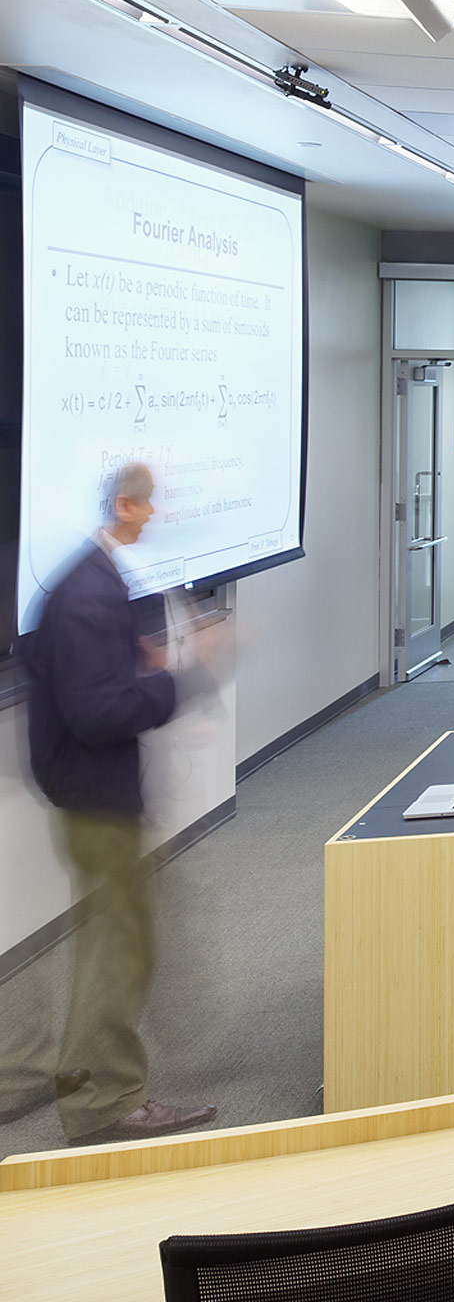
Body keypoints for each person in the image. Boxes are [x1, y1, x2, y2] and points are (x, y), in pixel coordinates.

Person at [0, 463, 213, 1143]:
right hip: (96, 796)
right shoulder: (88, 592)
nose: (156, 518)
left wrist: (138, 660)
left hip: (92, 790)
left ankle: (69, 1076)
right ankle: (105, 1102)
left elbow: (86, 679)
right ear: (124, 505)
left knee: (122, 938)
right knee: (117, 947)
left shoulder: (88, 582)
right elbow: (96, 712)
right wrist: (175, 686)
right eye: (149, 508)